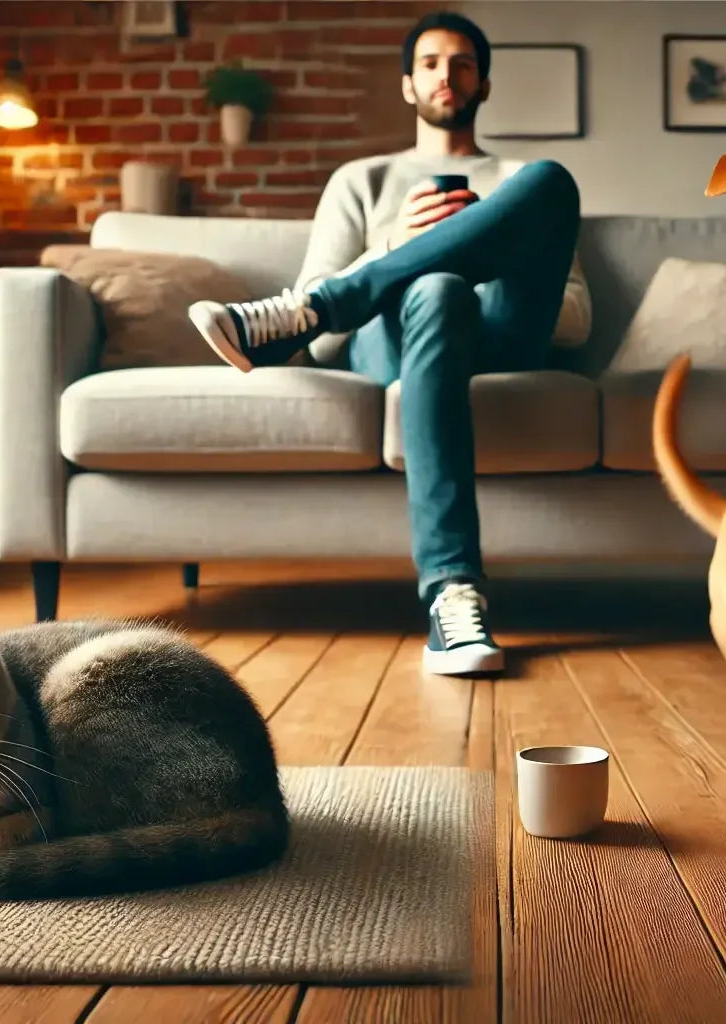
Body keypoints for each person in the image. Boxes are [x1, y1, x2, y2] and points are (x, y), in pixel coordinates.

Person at [188, 11, 589, 676]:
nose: (446, 75)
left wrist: (477, 250)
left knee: (551, 182)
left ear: (483, 84)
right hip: (396, 348)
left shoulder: (518, 182)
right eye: (430, 63)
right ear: (407, 84)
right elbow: (323, 350)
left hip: (497, 339)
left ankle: (315, 308)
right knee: (434, 290)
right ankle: (453, 594)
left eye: (462, 64)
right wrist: (398, 247)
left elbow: (573, 319)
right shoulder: (362, 181)